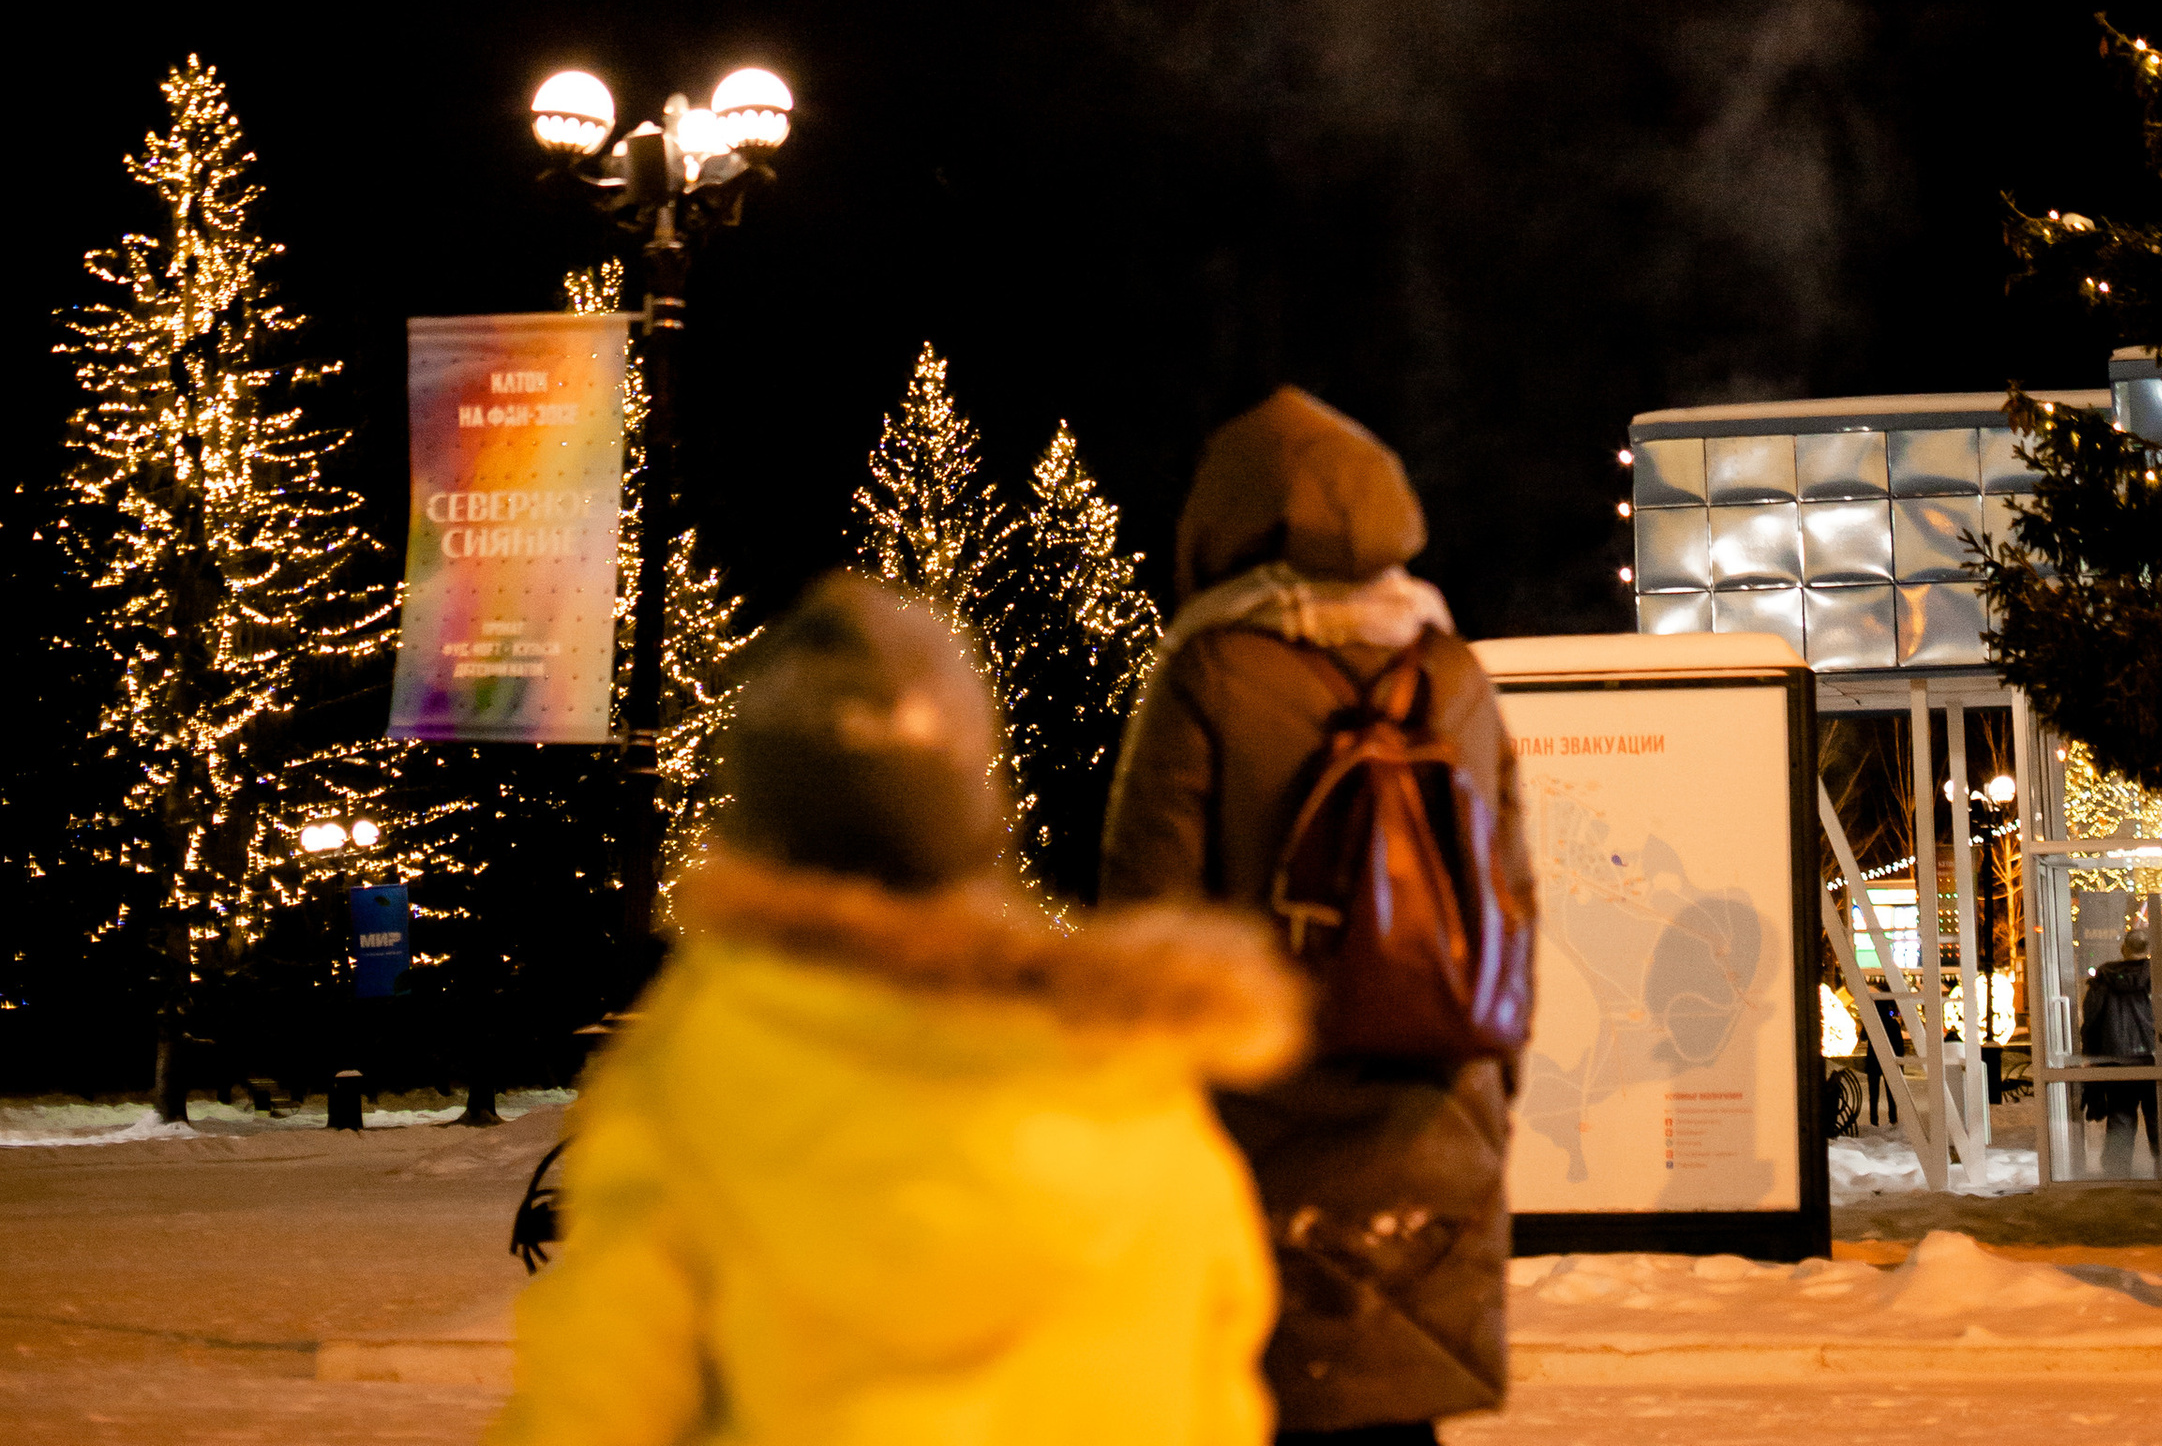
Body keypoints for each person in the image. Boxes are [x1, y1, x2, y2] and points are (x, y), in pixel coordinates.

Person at [493, 573, 1304, 1446]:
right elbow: (1217, 1385)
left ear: (762, 819)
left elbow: (596, 1406)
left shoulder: (691, 1075)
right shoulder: (1132, 1076)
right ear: (971, 804)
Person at [1102, 384, 1534, 1445]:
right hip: (1433, 1120)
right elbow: (1510, 914)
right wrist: (1486, 1096)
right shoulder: (1453, 678)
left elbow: (1148, 921)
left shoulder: (1208, 672)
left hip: (1259, 1130)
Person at [2077, 914, 2162, 1179]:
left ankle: (2117, 1176)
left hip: (2117, 1062)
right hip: (2158, 1060)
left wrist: (2092, 1056)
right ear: (2148, 950)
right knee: (2160, 1119)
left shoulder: (2103, 981)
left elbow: (2091, 1021)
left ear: (2123, 950)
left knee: (2120, 1119)